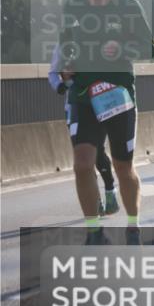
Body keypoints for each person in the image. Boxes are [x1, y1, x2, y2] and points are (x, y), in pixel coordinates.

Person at [58, 0, 153, 245]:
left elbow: (148, 48)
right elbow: (65, 48)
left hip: (118, 97)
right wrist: (66, 67)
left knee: (123, 167)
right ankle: (93, 231)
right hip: (84, 96)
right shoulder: (72, 9)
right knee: (82, 163)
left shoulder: (128, 7)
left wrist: (121, 46)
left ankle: (133, 225)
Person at [48, 41, 118, 217]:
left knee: (98, 152)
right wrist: (61, 84)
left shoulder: (101, 38)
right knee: (83, 159)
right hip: (74, 108)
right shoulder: (62, 43)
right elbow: (53, 73)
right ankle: (95, 201)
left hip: (99, 104)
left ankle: (110, 189)